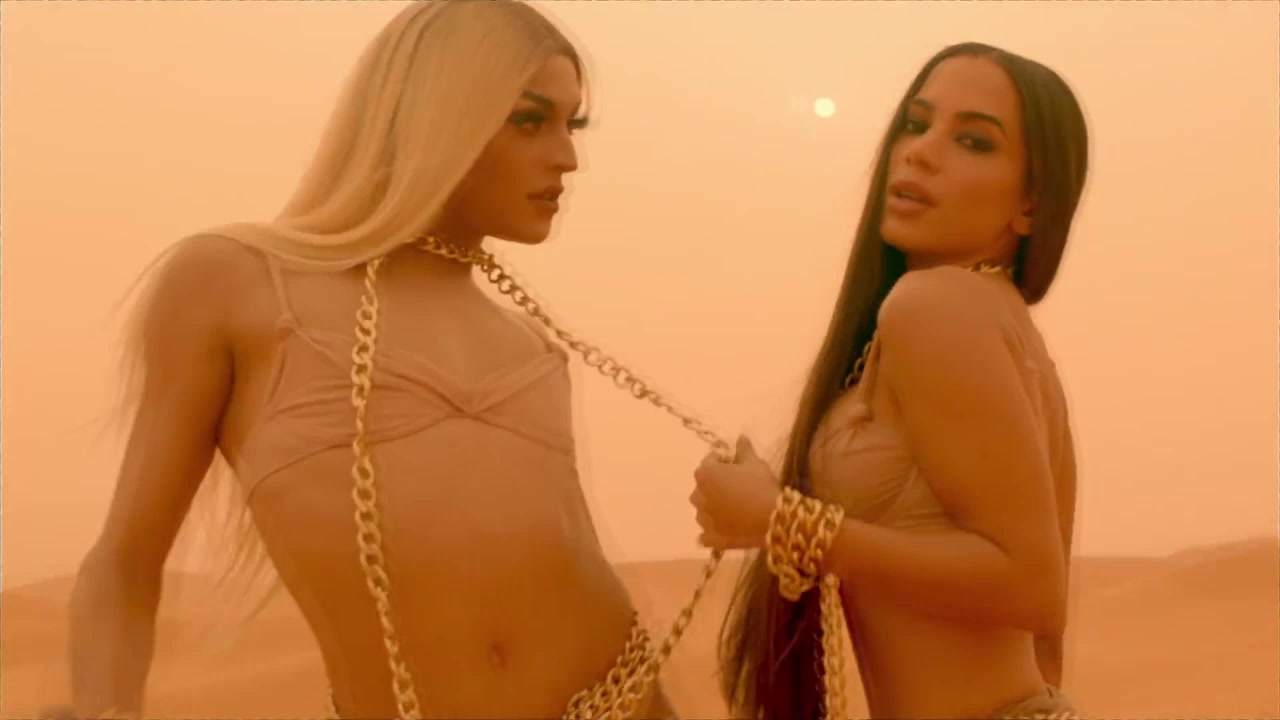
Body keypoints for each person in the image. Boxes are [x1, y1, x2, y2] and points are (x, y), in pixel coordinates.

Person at [52, 2, 684, 718]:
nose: (567, 157)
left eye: (574, 124)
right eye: (528, 120)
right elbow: (124, 567)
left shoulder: (531, 348)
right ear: (435, 117)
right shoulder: (239, 284)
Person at [689, 42, 1090, 720]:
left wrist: (781, 521)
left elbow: (1032, 588)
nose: (922, 152)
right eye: (916, 123)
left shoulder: (933, 306)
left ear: (1031, 204)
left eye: (972, 140)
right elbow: (1043, 636)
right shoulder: (1007, 330)